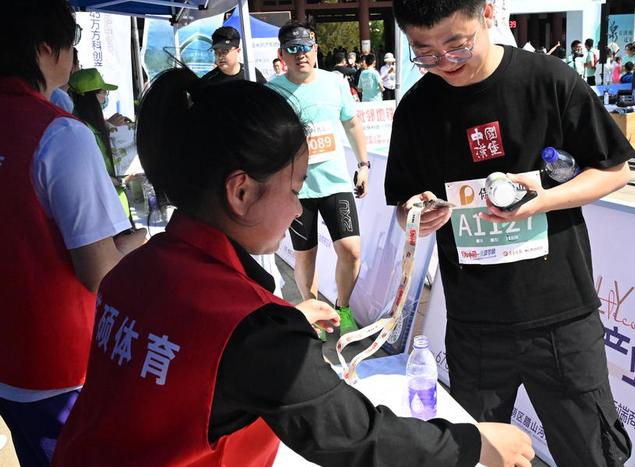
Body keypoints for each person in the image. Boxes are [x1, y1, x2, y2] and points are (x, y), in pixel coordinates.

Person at [52, 69, 534, 467]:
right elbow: (353, 437)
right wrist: (474, 445)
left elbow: (198, 356)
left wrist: (282, 322)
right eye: (294, 185)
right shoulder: (253, 330)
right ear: (240, 192)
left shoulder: (136, 270)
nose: (299, 205)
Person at [386, 1, 633, 466]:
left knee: (592, 454)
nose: (446, 63)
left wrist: (540, 198)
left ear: (486, 13)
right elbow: (403, 206)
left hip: (561, 316)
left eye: (457, 44)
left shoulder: (548, 79)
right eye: (427, 53)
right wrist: (417, 213)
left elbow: (614, 169)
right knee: (476, 455)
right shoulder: (417, 109)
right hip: (475, 323)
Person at [0, 2, 146, 465]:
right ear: (46, 49)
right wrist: (139, 244)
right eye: (72, 45)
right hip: (61, 364)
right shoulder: (61, 135)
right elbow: (100, 273)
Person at [268, 22, 369, 337]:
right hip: (297, 189)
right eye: (293, 49)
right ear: (282, 53)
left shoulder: (334, 82)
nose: (301, 55)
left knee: (351, 250)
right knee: (305, 255)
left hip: (336, 182)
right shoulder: (273, 90)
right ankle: (311, 312)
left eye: (306, 48)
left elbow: (351, 123)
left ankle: (343, 307)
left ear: (315, 49)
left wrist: (363, 164)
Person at [69, 68, 131, 220]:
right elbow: (88, 174)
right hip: (104, 211)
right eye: (103, 92)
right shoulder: (80, 131)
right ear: (91, 97)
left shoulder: (93, 125)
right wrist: (121, 180)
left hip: (115, 206)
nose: (105, 97)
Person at [50, 47, 79, 112]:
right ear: (71, 66)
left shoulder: (52, 91)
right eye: (77, 64)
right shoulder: (61, 99)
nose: (79, 69)